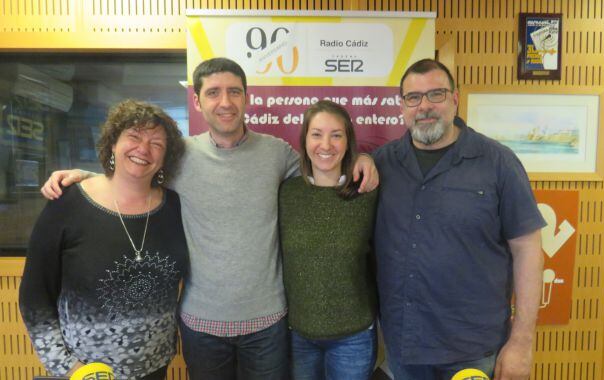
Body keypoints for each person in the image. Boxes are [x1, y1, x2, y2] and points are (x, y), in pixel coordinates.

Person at [39, 57, 378, 380]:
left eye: (234, 91)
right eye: (213, 92)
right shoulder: (180, 156)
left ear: (248, 99)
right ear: (198, 102)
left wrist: (362, 158)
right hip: (201, 325)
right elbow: (135, 175)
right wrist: (86, 176)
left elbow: (322, 164)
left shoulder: (276, 152)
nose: (225, 101)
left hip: (268, 323)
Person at [372, 59, 546, 380]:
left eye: (435, 94)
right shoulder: (382, 164)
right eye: (413, 97)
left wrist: (522, 341)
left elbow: (528, 250)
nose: (424, 106)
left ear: (455, 98)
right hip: (404, 348)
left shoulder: (498, 163)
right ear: (402, 107)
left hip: (474, 351)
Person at [19, 99, 188, 380]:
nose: (143, 149)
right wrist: (69, 368)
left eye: (156, 143)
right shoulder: (67, 203)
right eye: (133, 136)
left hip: (155, 368)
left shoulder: (175, 207)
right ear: (113, 143)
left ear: (165, 157)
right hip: (83, 372)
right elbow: (34, 298)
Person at [278, 100, 378, 380]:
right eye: (317, 134)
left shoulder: (367, 193)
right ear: (304, 140)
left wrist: (368, 159)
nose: (326, 144)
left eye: (336, 135)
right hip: (298, 336)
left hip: (353, 337)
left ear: (348, 142)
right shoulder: (286, 193)